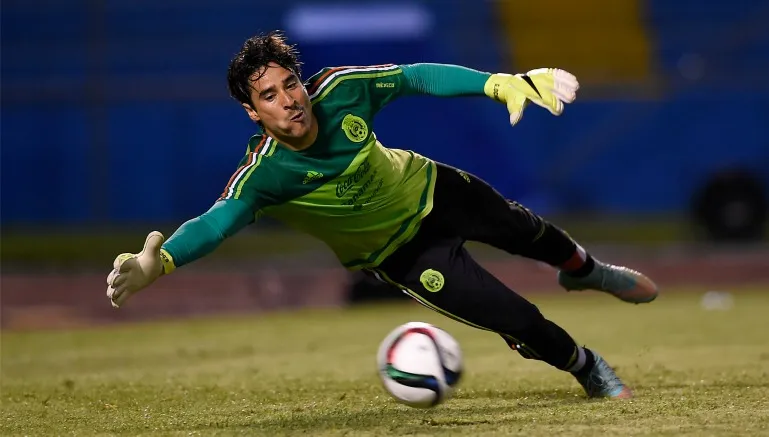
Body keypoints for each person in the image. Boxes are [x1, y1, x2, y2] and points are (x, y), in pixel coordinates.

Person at [106, 31, 659, 399]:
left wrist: (497, 83)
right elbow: (215, 222)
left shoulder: (341, 90)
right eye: (270, 96)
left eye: (290, 83)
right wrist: (164, 261)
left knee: (527, 231)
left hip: (431, 188)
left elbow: (416, 76)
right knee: (514, 317)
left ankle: (585, 271)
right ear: (253, 112)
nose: (289, 99)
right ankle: (588, 368)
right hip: (401, 254)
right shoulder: (264, 174)